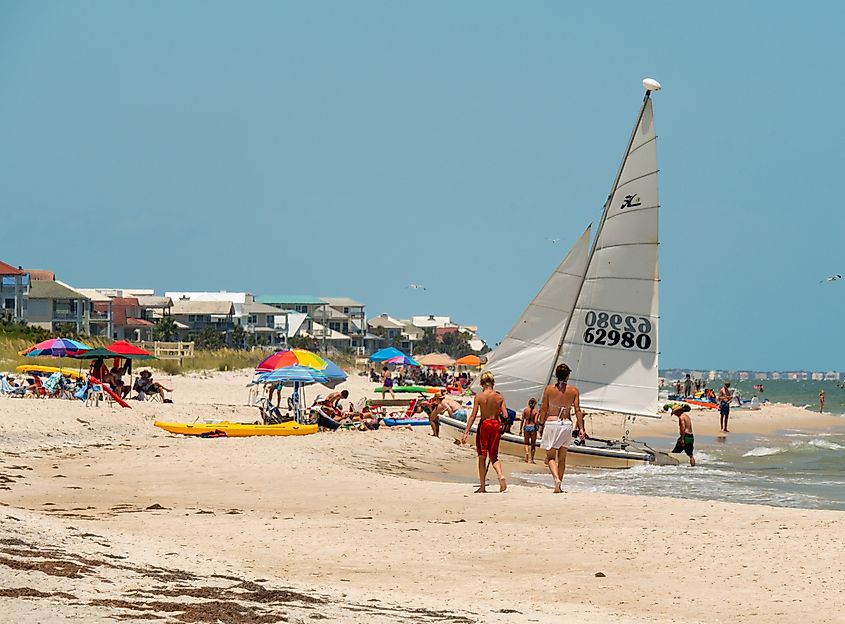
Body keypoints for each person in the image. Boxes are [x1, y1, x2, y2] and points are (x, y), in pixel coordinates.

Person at [539, 363, 585, 494]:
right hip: (566, 424)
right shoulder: (574, 391)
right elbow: (577, 410)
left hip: (552, 423)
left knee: (550, 457)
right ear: (568, 375)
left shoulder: (548, 389)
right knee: (562, 458)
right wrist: (581, 428)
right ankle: (560, 484)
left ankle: (556, 479)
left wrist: (541, 424)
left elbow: (544, 409)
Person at [461, 371, 507, 493]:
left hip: (484, 424)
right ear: (493, 383)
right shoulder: (499, 397)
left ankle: (482, 486)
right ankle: (500, 475)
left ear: (482, 383)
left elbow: (473, 416)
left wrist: (466, 432)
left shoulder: (479, 397)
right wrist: (502, 424)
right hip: (495, 425)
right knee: (494, 456)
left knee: (482, 456)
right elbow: (506, 415)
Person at [520, 398, 539, 463]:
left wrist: (520, 429)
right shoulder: (536, 411)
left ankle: (527, 454)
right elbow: (536, 421)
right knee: (533, 444)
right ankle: (532, 459)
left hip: (526, 427)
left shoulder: (525, 410)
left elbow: (522, 420)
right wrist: (539, 425)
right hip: (533, 427)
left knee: (526, 443)